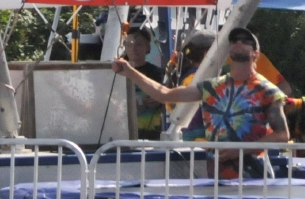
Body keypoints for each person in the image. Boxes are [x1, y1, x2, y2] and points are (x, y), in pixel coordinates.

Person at [112, 26, 287, 178]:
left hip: (255, 179)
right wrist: (129, 71)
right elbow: (164, 94)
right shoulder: (213, 87)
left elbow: (282, 135)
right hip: (217, 178)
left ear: (255, 53)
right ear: (228, 50)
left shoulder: (267, 90)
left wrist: (240, 149)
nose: (238, 42)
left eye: (245, 40)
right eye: (234, 40)